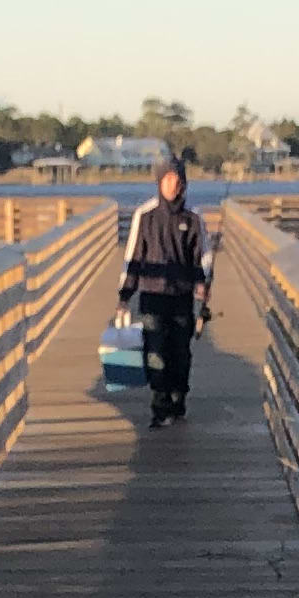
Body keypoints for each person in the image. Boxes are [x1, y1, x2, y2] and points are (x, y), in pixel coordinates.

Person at [118, 151, 209, 425]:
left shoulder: (194, 218)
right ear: (159, 181)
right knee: (155, 352)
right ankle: (159, 406)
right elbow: (133, 257)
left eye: (178, 179)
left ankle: (178, 398)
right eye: (168, 178)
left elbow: (201, 257)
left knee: (180, 352)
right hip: (152, 296)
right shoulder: (144, 216)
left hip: (181, 297)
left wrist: (203, 288)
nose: (174, 184)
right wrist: (124, 297)